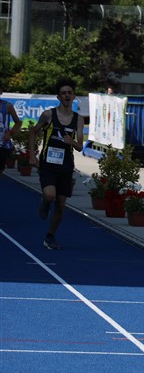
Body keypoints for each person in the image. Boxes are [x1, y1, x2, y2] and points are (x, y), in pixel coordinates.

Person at [29, 80, 84, 250]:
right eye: (64, 93)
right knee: (50, 195)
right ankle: (45, 202)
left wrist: (71, 142)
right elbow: (33, 131)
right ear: (58, 97)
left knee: (61, 204)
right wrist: (32, 155)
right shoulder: (48, 115)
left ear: (74, 96)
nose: (67, 95)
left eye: (70, 93)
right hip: (48, 163)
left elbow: (80, 146)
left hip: (66, 165)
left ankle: (50, 236)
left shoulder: (78, 119)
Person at [0, 88, 22, 176]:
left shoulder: (7, 106)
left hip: (2, 144)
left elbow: (18, 123)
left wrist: (10, 133)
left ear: (1, 91)